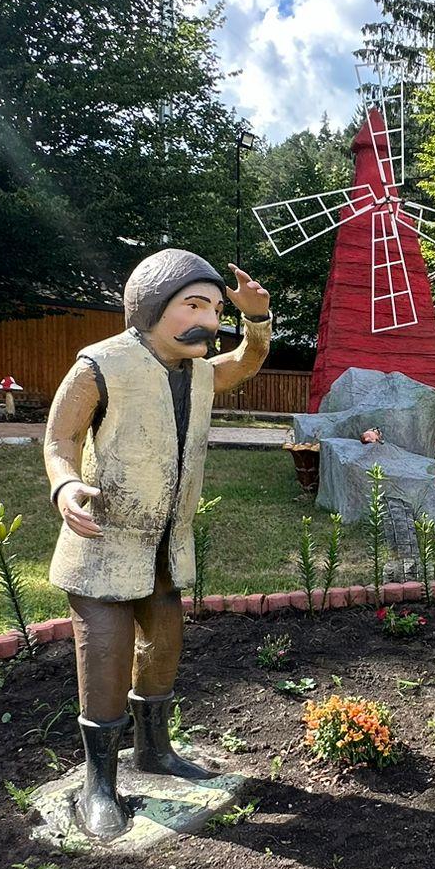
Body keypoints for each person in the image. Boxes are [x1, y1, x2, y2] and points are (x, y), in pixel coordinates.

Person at [43, 249, 272, 838]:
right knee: (106, 654)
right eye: (194, 305)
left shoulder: (199, 371)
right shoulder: (101, 365)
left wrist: (257, 319)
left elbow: (247, 361)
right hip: (103, 544)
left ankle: (154, 750)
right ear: (148, 306)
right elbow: (60, 437)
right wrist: (66, 485)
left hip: (166, 548)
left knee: (164, 646)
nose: (209, 320)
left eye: (215, 308)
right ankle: (100, 782)